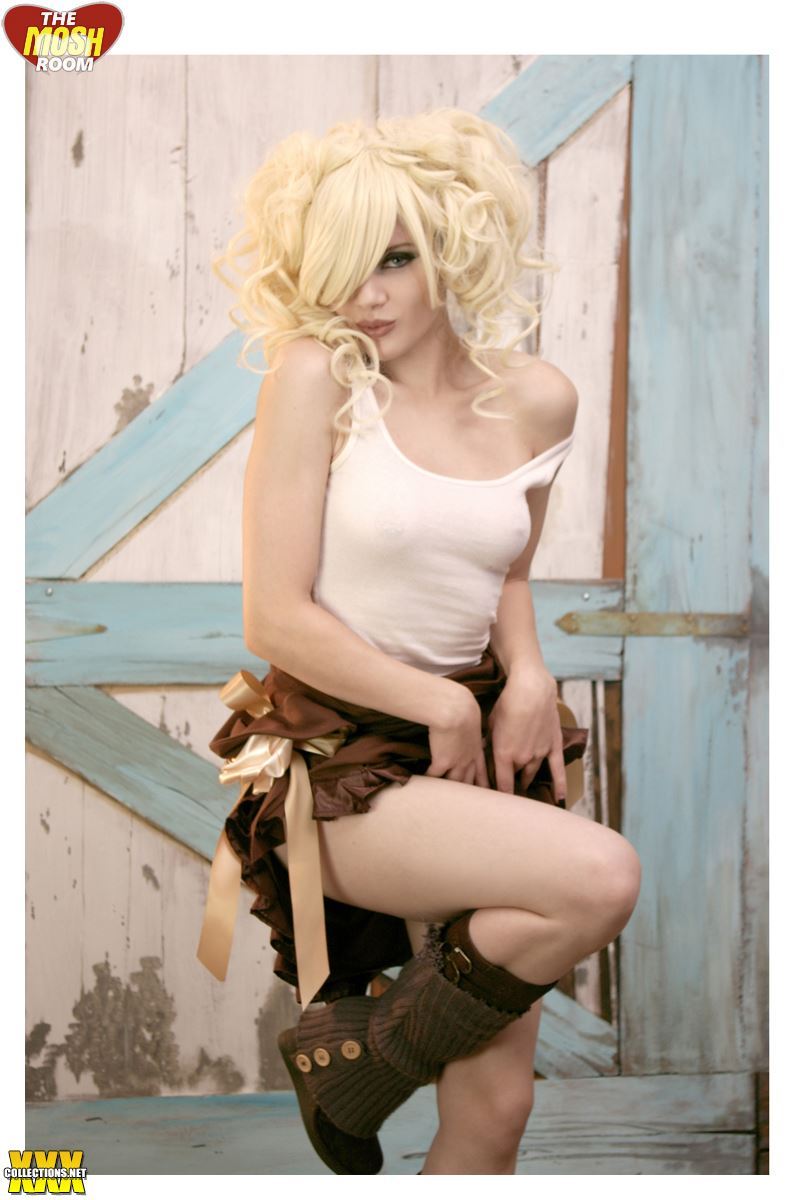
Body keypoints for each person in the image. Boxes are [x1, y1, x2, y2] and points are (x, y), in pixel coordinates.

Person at [198, 108, 642, 1175]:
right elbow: (273, 613)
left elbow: (506, 568)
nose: (366, 296)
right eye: (343, 266)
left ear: (451, 243)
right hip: (343, 760)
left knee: (496, 1111)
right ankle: (368, 1059)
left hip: (486, 747)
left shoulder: (538, 399)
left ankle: (358, 1060)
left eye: (394, 259)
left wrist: (526, 672)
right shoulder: (318, 375)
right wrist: (437, 700)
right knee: (598, 876)